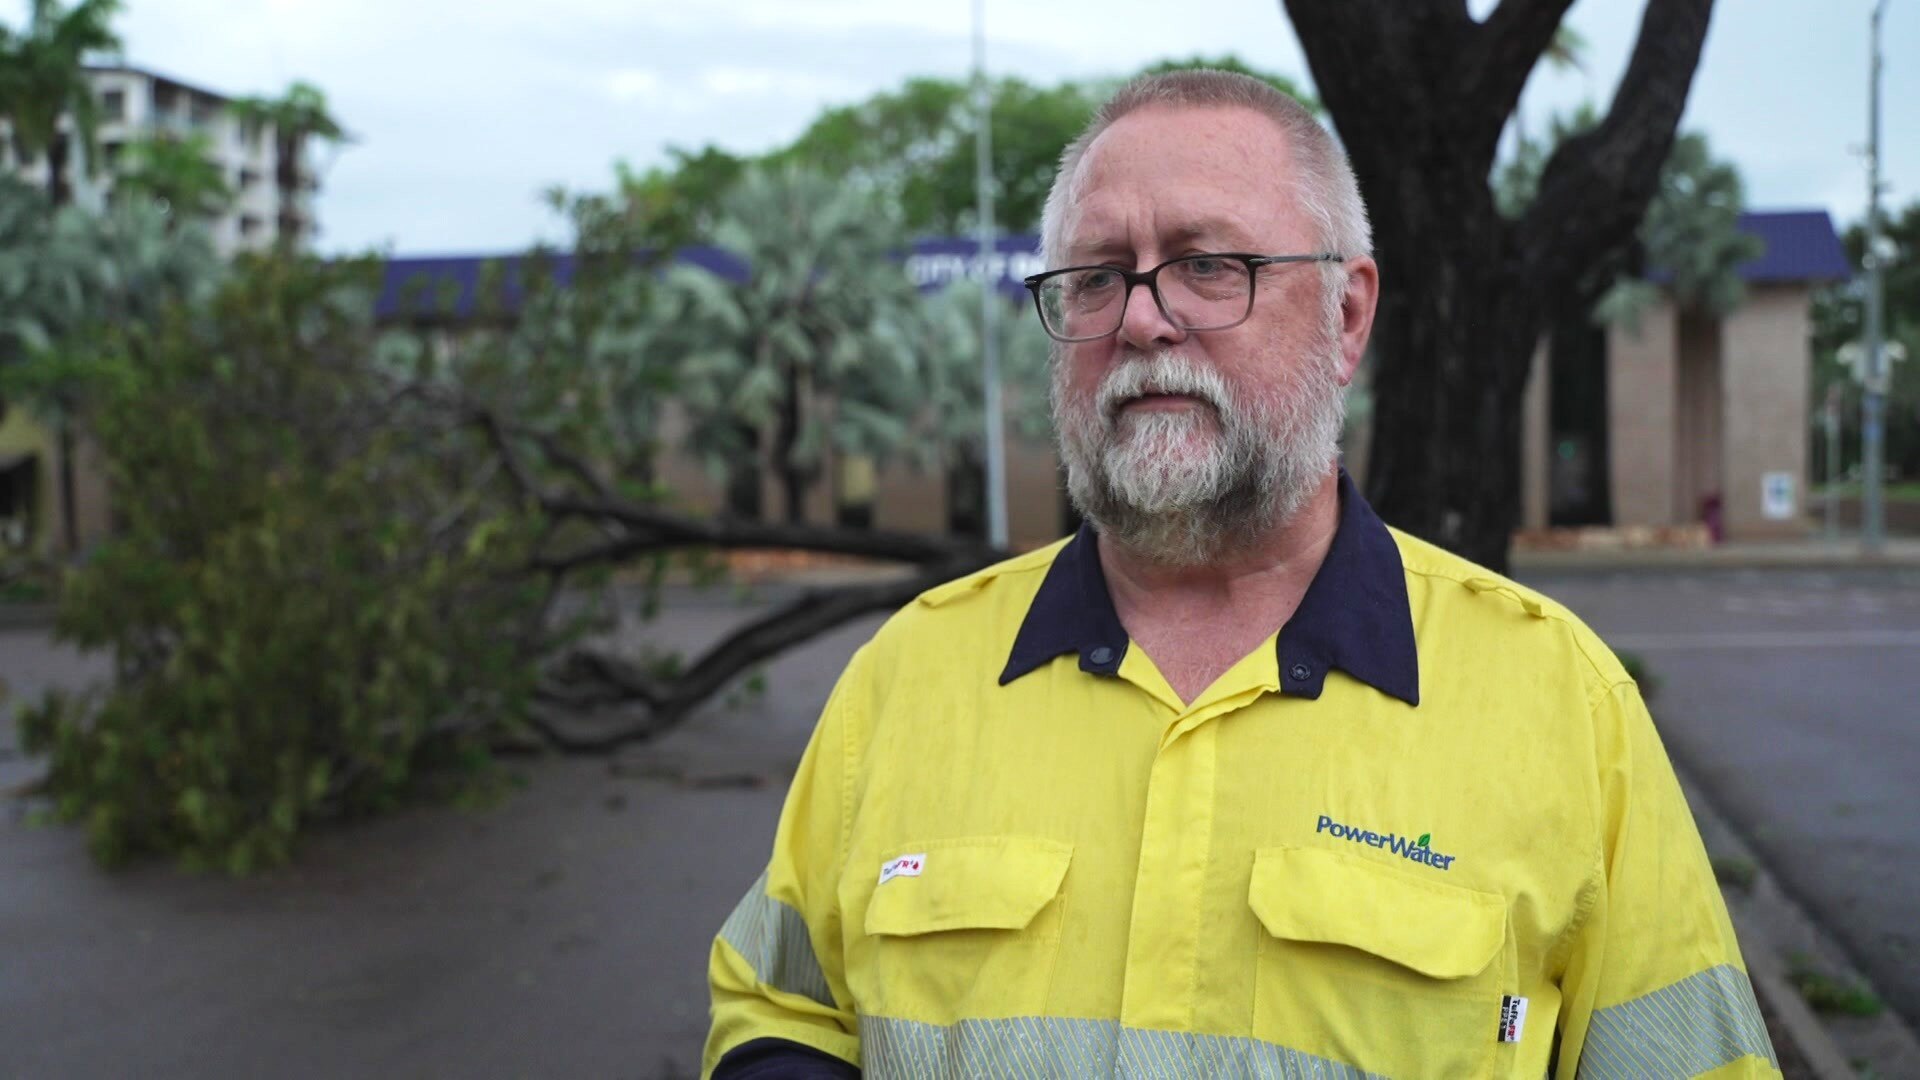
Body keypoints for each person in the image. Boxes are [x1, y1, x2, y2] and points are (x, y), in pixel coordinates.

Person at [703, 69, 1778, 1079]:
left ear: (1347, 313)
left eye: (1209, 265)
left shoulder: (1560, 706)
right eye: (1096, 276)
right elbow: (781, 1006)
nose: (1140, 319)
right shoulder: (910, 677)